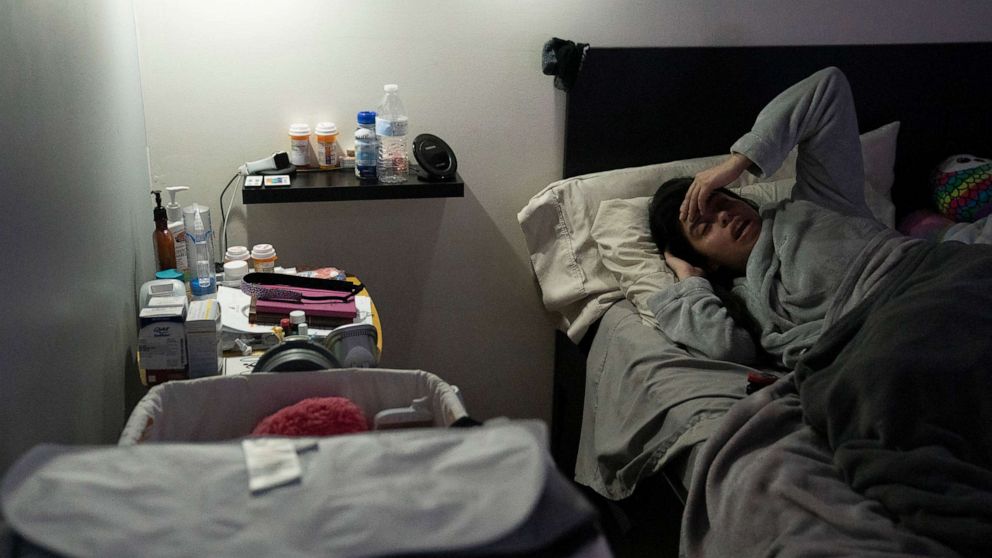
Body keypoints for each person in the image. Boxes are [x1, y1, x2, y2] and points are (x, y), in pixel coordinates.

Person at [646, 67, 925, 368]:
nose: (724, 216)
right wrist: (690, 280)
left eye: (719, 200)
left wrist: (738, 162)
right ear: (706, 260)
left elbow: (829, 86)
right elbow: (726, 349)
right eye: (704, 226)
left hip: (925, 276)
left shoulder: (819, 200)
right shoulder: (747, 302)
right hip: (884, 341)